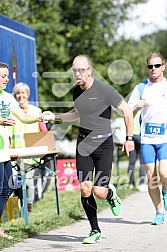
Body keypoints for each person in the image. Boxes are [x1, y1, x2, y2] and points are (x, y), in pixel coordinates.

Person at [43, 55, 134, 243]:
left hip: (103, 144)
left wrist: (129, 137)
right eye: (74, 70)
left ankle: (110, 193)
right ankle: (94, 230)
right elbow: (76, 114)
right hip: (84, 144)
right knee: (85, 189)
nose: (77, 73)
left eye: (80, 70)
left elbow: (127, 110)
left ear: (89, 71)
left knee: (99, 192)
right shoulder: (76, 92)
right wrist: (55, 117)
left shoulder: (104, 90)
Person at [0, 62, 43, 239]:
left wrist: (41, 116)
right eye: (3, 76)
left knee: (8, 189)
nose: (7, 78)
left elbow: (24, 117)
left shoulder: (8, 98)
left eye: (7, 75)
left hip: (4, 153)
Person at [128, 52, 167, 225]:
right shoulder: (140, 88)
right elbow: (128, 113)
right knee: (151, 176)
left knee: (164, 174)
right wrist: (137, 106)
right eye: (150, 66)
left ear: (163, 67)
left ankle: (165, 189)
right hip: (147, 139)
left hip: (165, 138)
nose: (153, 69)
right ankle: (159, 212)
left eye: (157, 65)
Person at [10, 82, 48, 212]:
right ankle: (17, 207)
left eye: (23, 93)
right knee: (17, 179)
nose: (20, 95)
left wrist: (47, 146)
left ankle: (28, 204)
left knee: (29, 179)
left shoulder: (36, 111)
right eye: (18, 93)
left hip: (32, 150)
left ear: (28, 94)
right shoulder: (12, 112)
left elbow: (43, 130)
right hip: (16, 151)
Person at [127, 111, 146, 190]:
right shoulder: (144, 110)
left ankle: (131, 183)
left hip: (131, 136)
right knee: (142, 161)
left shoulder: (131, 109)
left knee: (132, 161)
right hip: (140, 135)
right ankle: (141, 183)